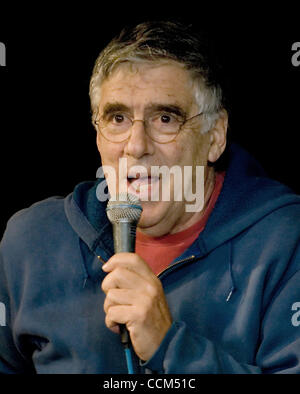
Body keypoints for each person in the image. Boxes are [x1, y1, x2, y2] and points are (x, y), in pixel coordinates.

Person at [0, 20, 299, 374]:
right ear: (97, 134)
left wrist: (169, 345)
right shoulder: (31, 243)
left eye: (165, 118)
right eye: (118, 118)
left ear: (215, 136)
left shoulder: (283, 239)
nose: (137, 146)